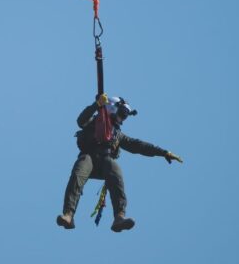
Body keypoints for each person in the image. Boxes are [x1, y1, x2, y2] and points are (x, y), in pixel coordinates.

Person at [56, 94, 183, 232]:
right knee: (78, 174)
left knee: (116, 173)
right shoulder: (93, 122)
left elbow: (139, 146)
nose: (122, 119)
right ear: (111, 107)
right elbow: (81, 120)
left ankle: (119, 217)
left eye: (125, 116)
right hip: (89, 157)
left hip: (105, 162)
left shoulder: (117, 135)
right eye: (122, 114)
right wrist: (96, 105)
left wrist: (163, 152)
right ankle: (69, 214)